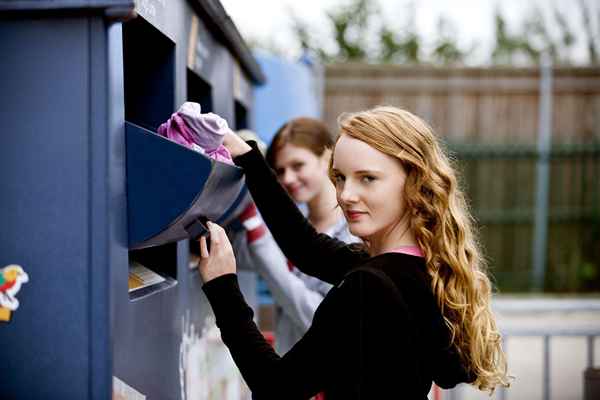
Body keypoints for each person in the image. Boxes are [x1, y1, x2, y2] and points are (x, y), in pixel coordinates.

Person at [198, 106, 511, 399]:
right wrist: (243, 153)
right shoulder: (417, 267)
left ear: (413, 182)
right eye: (340, 178)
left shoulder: (370, 285)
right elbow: (306, 248)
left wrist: (222, 287)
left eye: (368, 178)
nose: (346, 195)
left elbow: (276, 387)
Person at [238, 118, 359, 355]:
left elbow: (319, 320)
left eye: (298, 165)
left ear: (327, 156)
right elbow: (244, 254)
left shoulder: (354, 235)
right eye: (280, 171)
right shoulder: (294, 227)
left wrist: (264, 251)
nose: (288, 179)